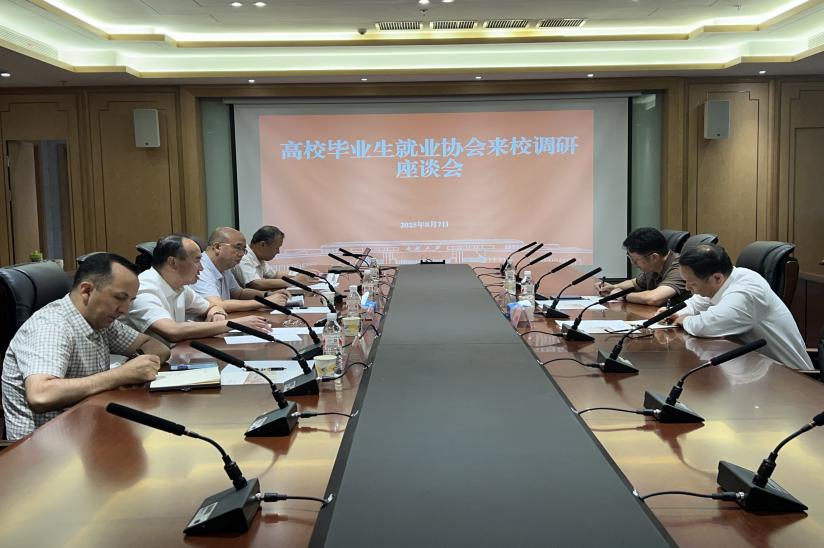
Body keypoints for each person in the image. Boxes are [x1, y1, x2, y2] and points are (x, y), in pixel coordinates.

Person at [1, 253, 171, 440]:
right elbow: (41, 395)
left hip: (89, 432)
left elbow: (157, 347)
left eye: (130, 300)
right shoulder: (50, 326)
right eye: (119, 298)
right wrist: (122, 375)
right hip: (43, 448)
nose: (124, 310)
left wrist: (137, 365)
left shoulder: (100, 320)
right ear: (87, 291)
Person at [665, 243, 813, 370]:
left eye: (692, 283)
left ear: (717, 278)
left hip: (791, 378)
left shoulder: (746, 291)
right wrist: (672, 313)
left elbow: (706, 326)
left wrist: (684, 319)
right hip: (757, 370)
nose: (687, 287)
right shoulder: (726, 280)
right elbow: (695, 303)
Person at [123, 234, 270, 343]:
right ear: (173, 262)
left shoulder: (180, 286)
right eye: (197, 260)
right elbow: (172, 331)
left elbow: (211, 307)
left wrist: (217, 313)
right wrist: (234, 324)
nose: (201, 268)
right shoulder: (144, 288)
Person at [193, 227, 289, 312]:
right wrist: (266, 302)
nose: (242, 254)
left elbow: (239, 293)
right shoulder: (200, 268)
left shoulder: (224, 266)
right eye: (238, 247)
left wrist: (267, 294)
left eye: (243, 249)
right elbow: (217, 305)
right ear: (217, 247)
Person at [595, 227, 689, 306]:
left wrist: (622, 295)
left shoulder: (680, 267)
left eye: (635, 260)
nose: (633, 264)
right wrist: (613, 287)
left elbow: (654, 298)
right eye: (630, 258)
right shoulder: (653, 266)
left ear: (654, 257)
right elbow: (635, 283)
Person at [233, 225, 314, 291]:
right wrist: (294, 281)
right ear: (263, 244)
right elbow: (255, 284)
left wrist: (300, 274)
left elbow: (275, 275)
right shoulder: (244, 257)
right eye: (276, 248)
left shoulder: (258, 257)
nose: (278, 252)